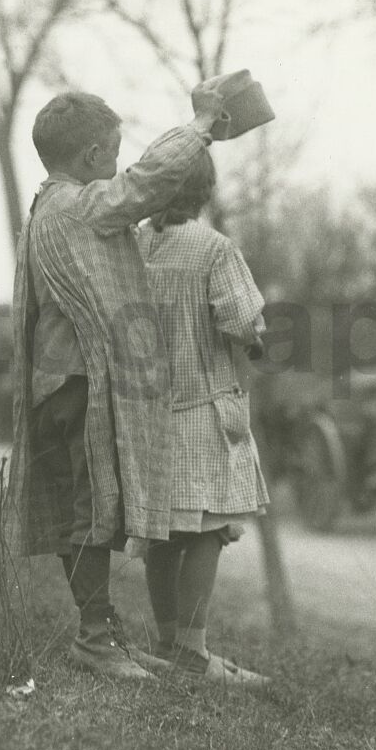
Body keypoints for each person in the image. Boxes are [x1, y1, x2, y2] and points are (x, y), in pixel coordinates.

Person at [6, 85, 226, 680]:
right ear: (92, 157)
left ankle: (102, 627)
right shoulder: (82, 206)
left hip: (53, 382)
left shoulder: (41, 214)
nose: (119, 165)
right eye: (114, 154)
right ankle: (95, 638)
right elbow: (147, 182)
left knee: (83, 505)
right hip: (79, 381)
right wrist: (201, 124)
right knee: (93, 507)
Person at [136, 151, 270, 686]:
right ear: (204, 192)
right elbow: (243, 324)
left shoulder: (134, 244)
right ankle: (194, 653)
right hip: (198, 409)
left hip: (146, 410)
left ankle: (169, 641)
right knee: (208, 529)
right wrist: (254, 341)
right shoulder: (214, 250)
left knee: (162, 532)